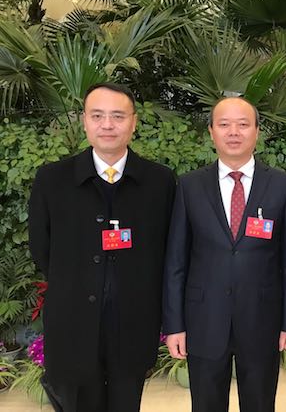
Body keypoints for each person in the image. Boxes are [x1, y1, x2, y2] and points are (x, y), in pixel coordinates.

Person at [28, 83, 176, 412]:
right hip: (73, 322)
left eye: (117, 116)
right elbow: (42, 247)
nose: (107, 125)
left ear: (133, 122)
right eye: (97, 116)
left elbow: (167, 249)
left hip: (134, 322)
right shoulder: (52, 180)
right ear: (85, 121)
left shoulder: (160, 182)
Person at [162, 97, 286, 412]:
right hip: (204, 320)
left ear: (257, 131)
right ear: (211, 132)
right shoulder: (189, 186)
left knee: (260, 404)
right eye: (224, 124)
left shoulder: (281, 185)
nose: (234, 132)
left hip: (262, 320)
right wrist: (174, 325)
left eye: (243, 124)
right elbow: (176, 262)